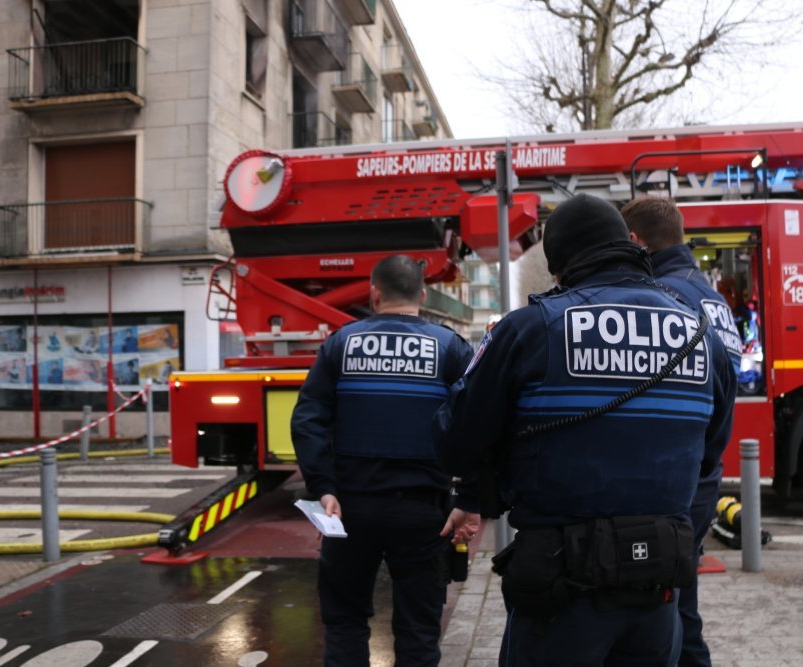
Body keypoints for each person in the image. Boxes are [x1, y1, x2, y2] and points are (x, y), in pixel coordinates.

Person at [434, 194, 736, 666]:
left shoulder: (531, 330)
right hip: (657, 586)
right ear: (625, 244)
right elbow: (711, 452)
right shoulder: (701, 334)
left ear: (559, 267)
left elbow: (455, 442)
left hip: (562, 590)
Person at [291, 254, 480, 667]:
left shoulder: (340, 343)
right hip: (425, 513)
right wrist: (470, 497)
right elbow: (476, 425)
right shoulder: (450, 347)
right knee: (418, 630)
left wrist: (323, 489)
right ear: (423, 294)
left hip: (349, 511)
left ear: (374, 293)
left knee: (344, 622)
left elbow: (308, 420)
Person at [622, 196, 741, 667]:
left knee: (663, 616)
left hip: (671, 482)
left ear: (634, 242)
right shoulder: (710, 297)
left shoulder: (665, 299)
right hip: (698, 477)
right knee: (679, 605)